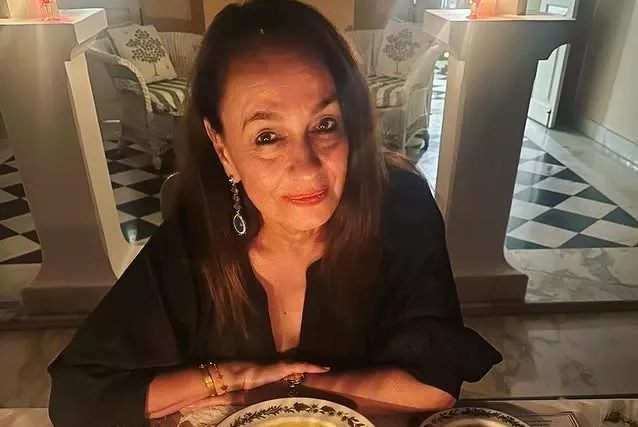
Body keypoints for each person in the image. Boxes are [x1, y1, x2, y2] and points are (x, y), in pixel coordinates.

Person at [48, 1, 502, 426]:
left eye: (324, 125)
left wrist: (265, 394)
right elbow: (77, 396)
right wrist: (230, 376)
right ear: (223, 149)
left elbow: (433, 387)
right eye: (267, 136)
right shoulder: (195, 237)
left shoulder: (399, 207)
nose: (307, 168)